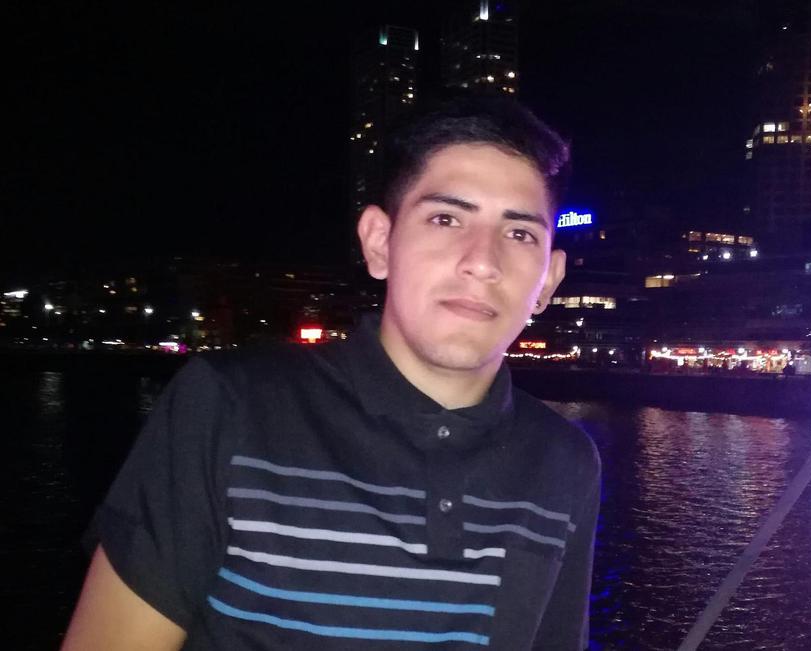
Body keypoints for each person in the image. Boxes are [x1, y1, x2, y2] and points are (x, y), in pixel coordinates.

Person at [62, 96, 602, 650]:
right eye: (446, 219)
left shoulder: (565, 462)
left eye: (519, 234)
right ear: (379, 243)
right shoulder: (231, 407)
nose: (482, 261)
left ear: (548, 278)